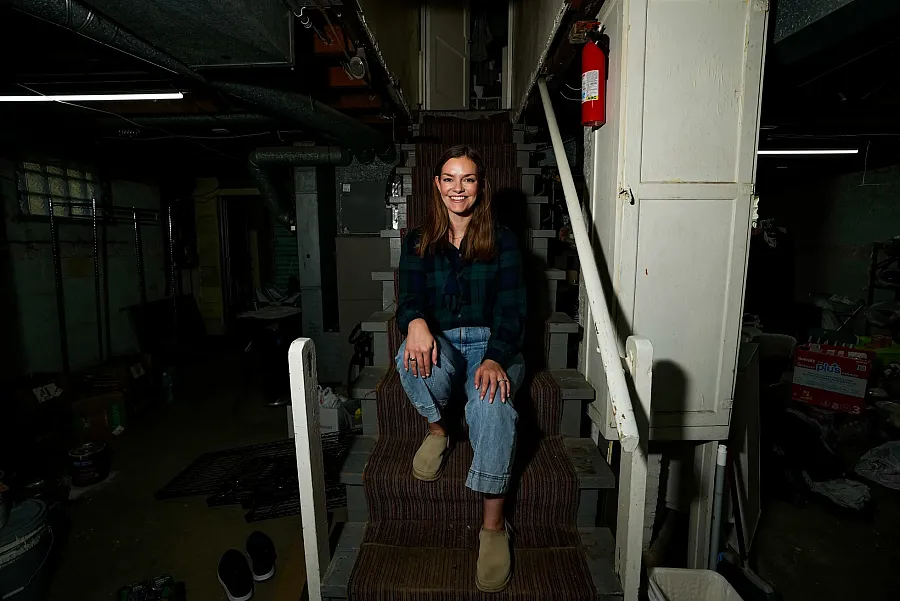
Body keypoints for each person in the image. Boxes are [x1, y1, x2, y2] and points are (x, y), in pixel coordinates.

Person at [395, 144, 527, 593]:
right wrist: (413, 322)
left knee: (492, 406)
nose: (458, 188)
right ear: (437, 184)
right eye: (450, 178)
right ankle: (438, 431)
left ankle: (493, 527)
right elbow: (409, 298)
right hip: (443, 343)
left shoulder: (504, 238)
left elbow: (513, 310)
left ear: (480, 185)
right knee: (408, 356)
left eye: (467, 179)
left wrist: (496, 356)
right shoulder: (417, 239)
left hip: (494, 346)